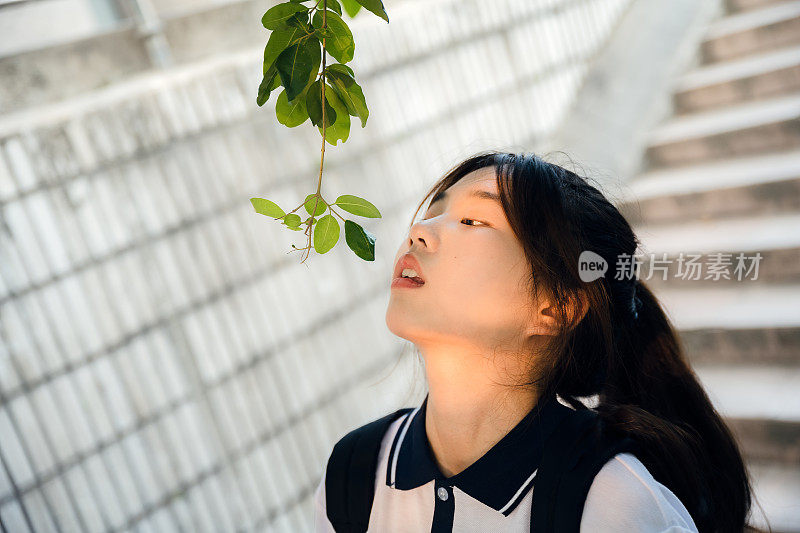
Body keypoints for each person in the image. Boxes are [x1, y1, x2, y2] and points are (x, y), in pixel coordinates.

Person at [313, 151, 764, 532]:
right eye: (434, 211)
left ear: (556, 307)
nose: (420, 231)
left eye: (472, 220)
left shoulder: (617, 509)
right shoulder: (354, 474)